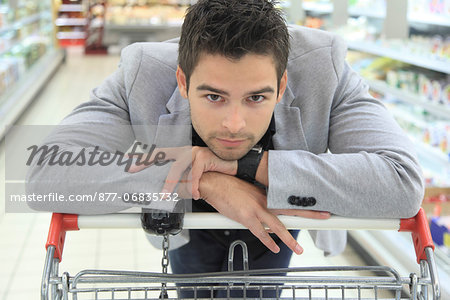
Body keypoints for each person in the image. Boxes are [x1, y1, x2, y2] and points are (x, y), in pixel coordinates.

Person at [26, 0, 424, 298]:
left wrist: (240, 167)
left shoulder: (325, 69)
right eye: (214, 96)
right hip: (186, 226)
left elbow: (401, 183)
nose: (234, 124)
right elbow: (44, 176)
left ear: (282, 86)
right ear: (182, 81)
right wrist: (200, 181)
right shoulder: (142, 72)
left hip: (275, 220)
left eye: (256, 98)